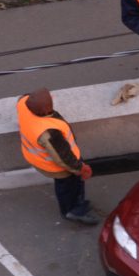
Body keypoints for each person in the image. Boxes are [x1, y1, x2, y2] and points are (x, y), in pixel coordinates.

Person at [16, 87, 99, 225]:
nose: (53, 97)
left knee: (65, 186)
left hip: (37, 159)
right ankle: (73, 210)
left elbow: (23, 97)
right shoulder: (49, 132)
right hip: (59, 167)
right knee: (70, 187)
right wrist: (80, 168)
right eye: (50, 99)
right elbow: (63, 158)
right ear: (46, 110)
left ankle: (74, 206)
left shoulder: (23, 103)